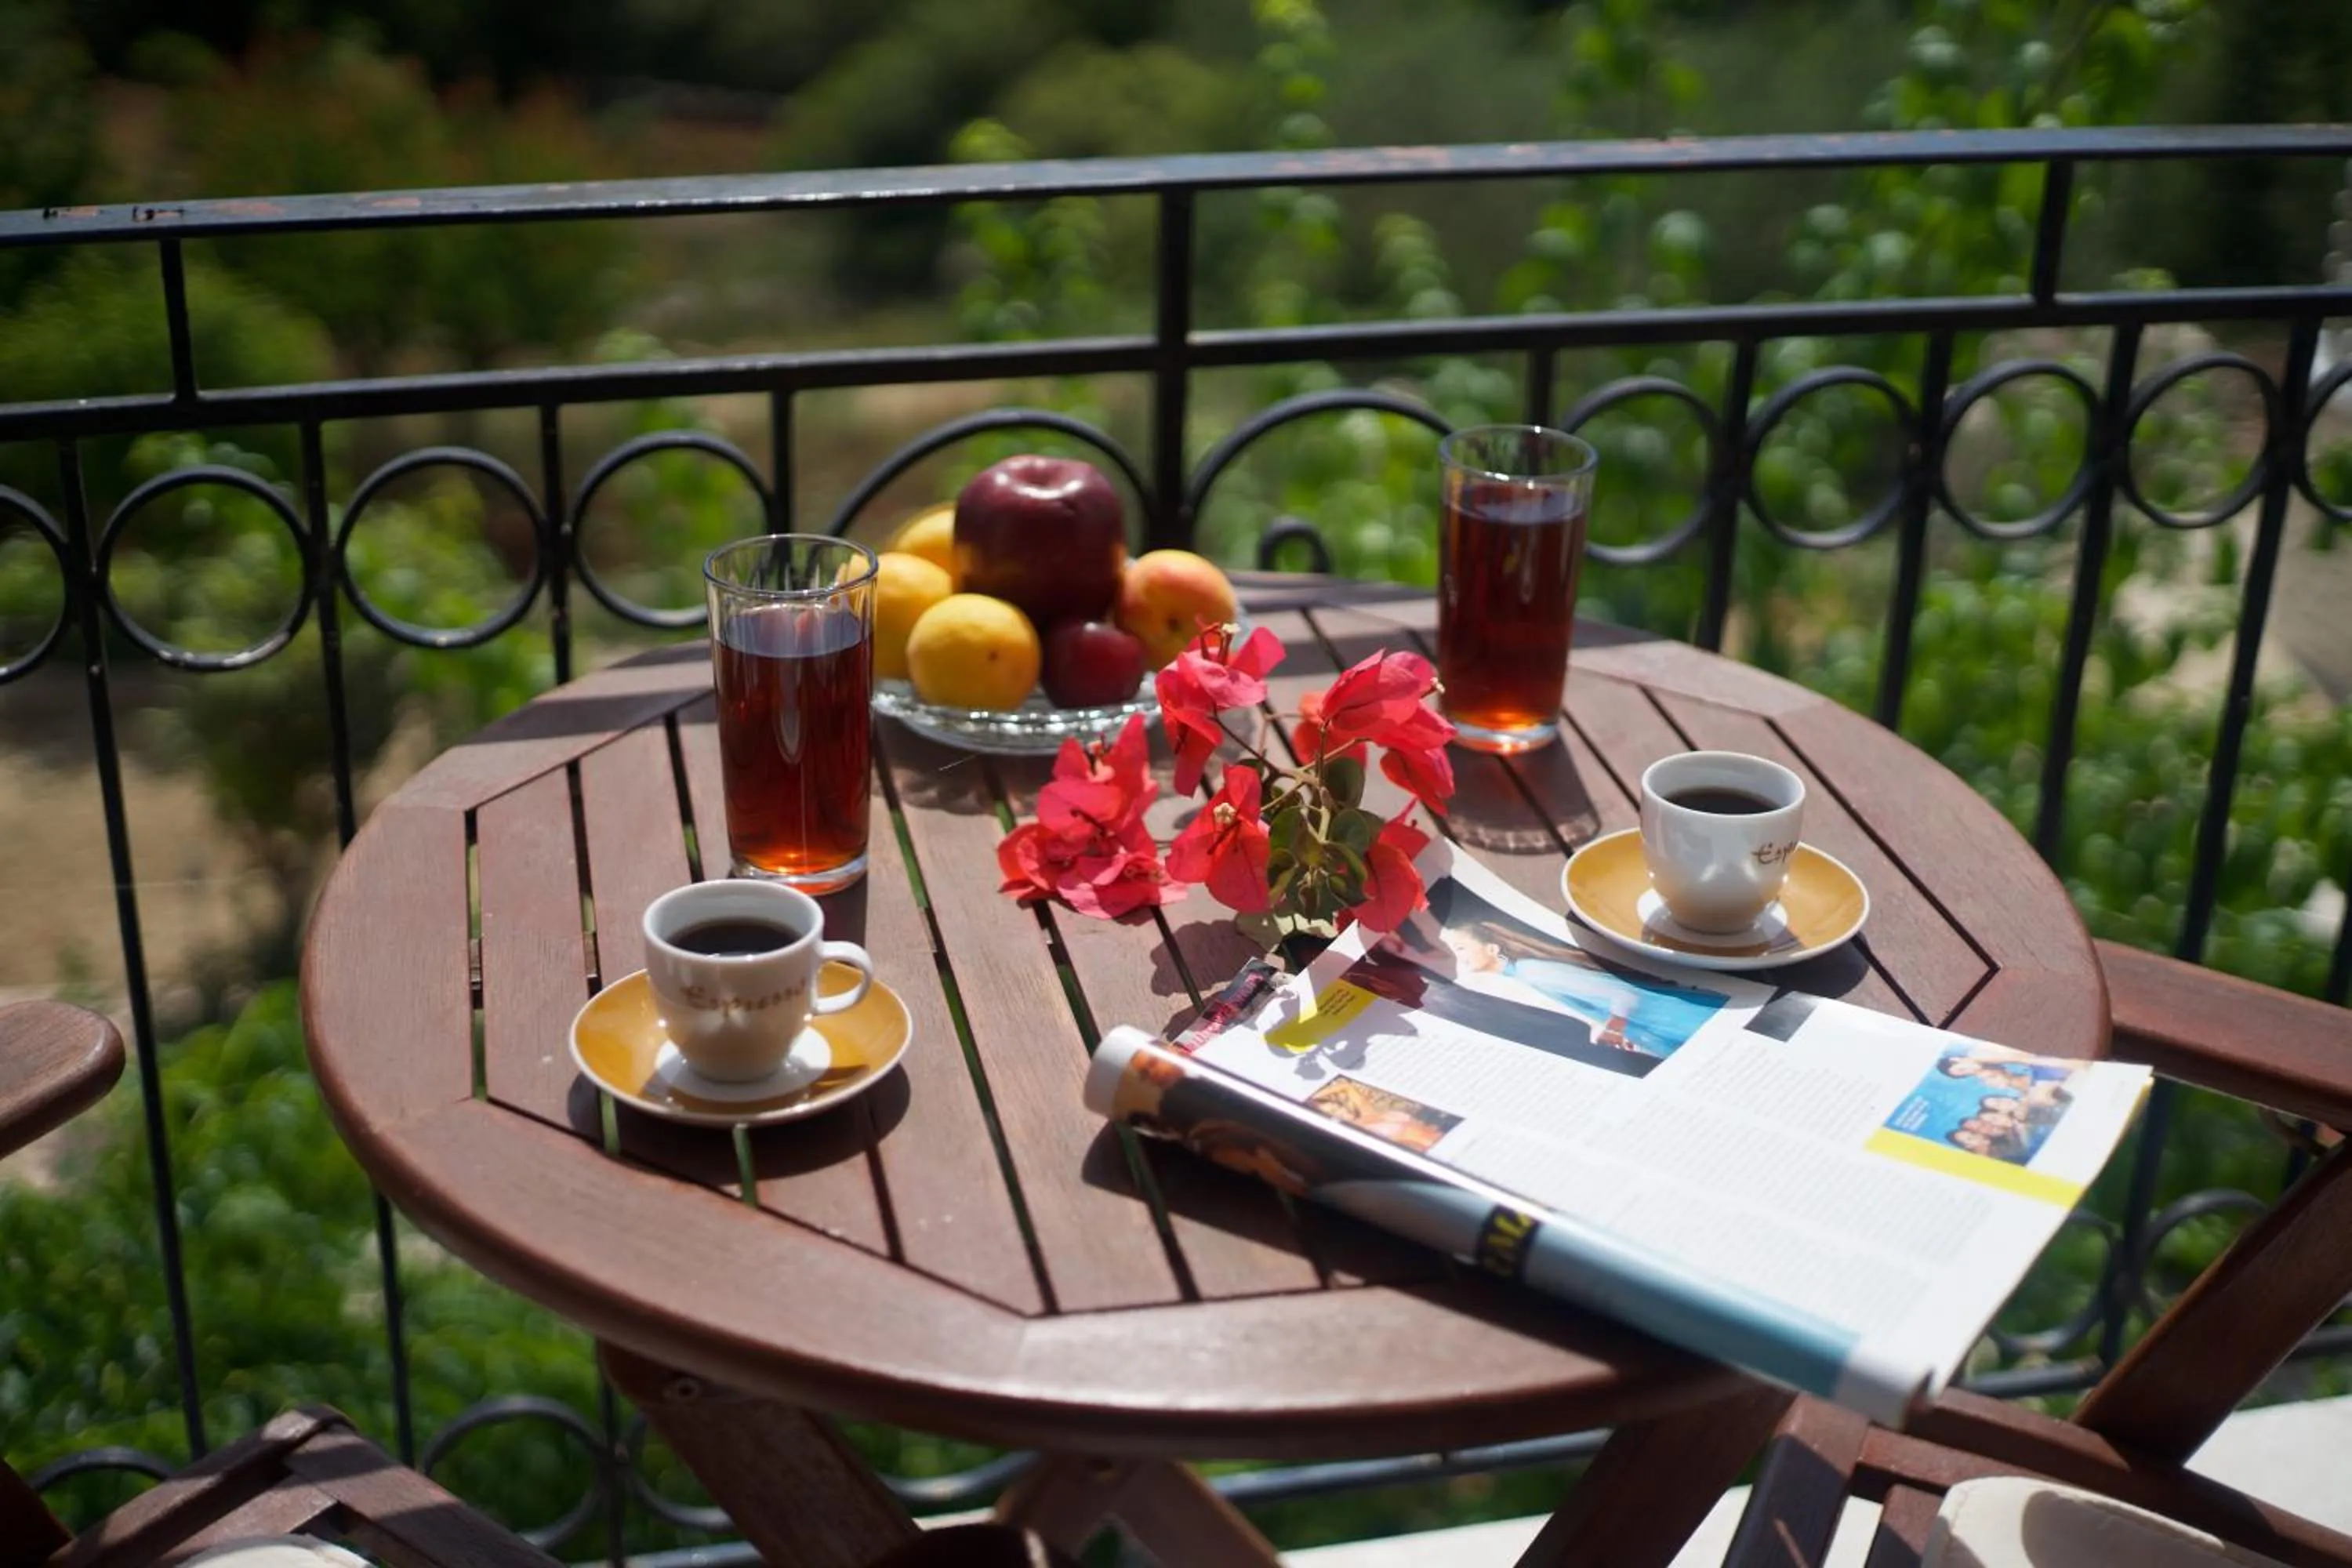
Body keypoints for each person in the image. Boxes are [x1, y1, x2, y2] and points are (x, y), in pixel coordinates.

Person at [1436, 917, 1728, 1059]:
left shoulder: (1532, 970)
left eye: (1461, 947)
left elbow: (1623, 995)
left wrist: (1613, 1029)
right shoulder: (1520, 978)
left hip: (1672, 1021)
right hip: (1659, 1027)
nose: (1458, 955)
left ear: (1491, 947)